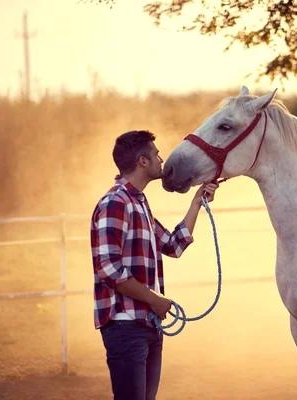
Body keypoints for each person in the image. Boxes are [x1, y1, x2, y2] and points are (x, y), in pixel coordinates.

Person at [91, 130, 219, 400]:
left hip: (146, 325)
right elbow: (108, 268)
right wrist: (155, 300)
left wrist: (197, 202)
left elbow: (173, 245)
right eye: (156, 154)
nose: (161, 159)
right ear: (142, 162)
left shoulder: (138, 203)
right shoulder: (115, 203)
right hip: (125, 325)